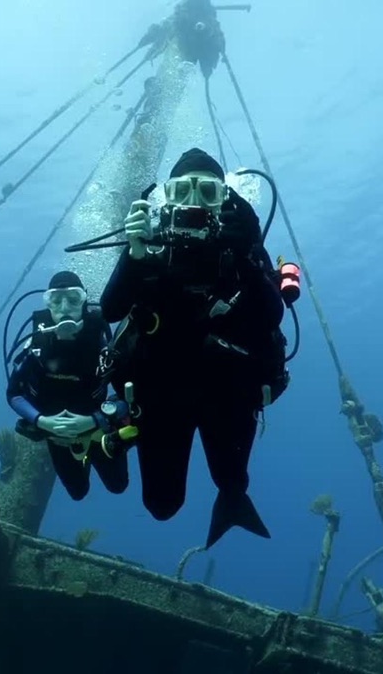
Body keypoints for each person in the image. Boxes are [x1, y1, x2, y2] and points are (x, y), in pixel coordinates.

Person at [99, 148, 289, 548]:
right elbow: (110, 309)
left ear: (225, 197)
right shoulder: (151, 245)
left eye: (208, 191)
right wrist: (132, 257)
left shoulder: (239, 244)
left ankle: (232, 507)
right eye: (183, 190)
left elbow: (272, 316)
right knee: (162, 506)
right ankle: (110, 440)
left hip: (229, 393)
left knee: (233, 484)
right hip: (161, 395)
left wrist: (250, 253)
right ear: (166, 196)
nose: (194, 202)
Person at [6, 270, 136, 501]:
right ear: (48, 305)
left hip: (98, 428)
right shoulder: (36, 345)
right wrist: (42, 421)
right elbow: (14, 394)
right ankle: (82, 458)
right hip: (56, 433)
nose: (65, 307)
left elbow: (131, 393)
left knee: (118, 485)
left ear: (84, 301)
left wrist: (95, 420)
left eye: (73, 299)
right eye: (56, 300)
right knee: (78, 492)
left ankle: (101, 448)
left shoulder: (101, 341)